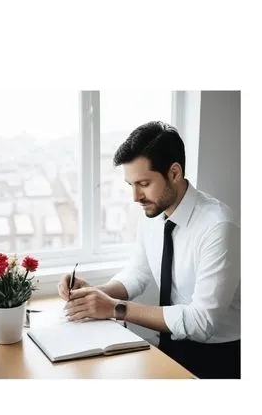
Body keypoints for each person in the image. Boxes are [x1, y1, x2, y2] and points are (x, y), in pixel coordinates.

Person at [57, 121, 240, 379]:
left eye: (143, 183)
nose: (135, 197)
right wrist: (93, 294)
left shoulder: (218, 226)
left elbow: (202, 323)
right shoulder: (153, 214)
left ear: (174, 173)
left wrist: (114, 308)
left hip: (219, 356)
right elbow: (138, 273)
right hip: (169, 347)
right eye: (130, 184)